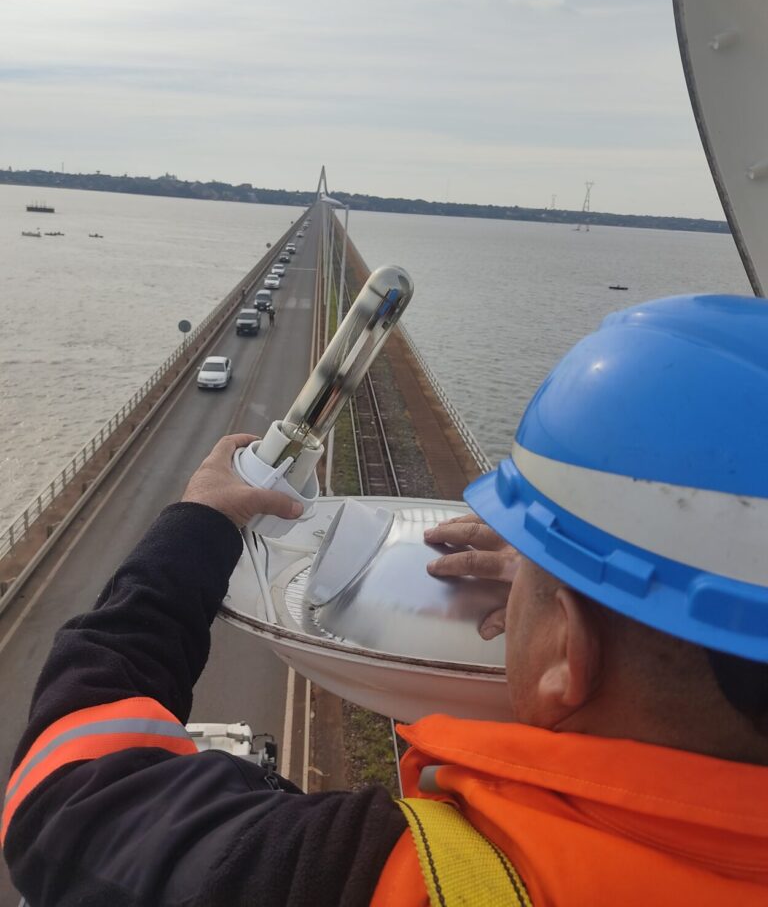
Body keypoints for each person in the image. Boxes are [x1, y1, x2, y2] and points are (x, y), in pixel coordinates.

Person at [4, 294, 768, 906]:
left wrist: (198, 523)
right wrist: (573, 604)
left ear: (569, 654)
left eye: (532, 564)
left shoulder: (406, 880)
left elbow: (67, 793)